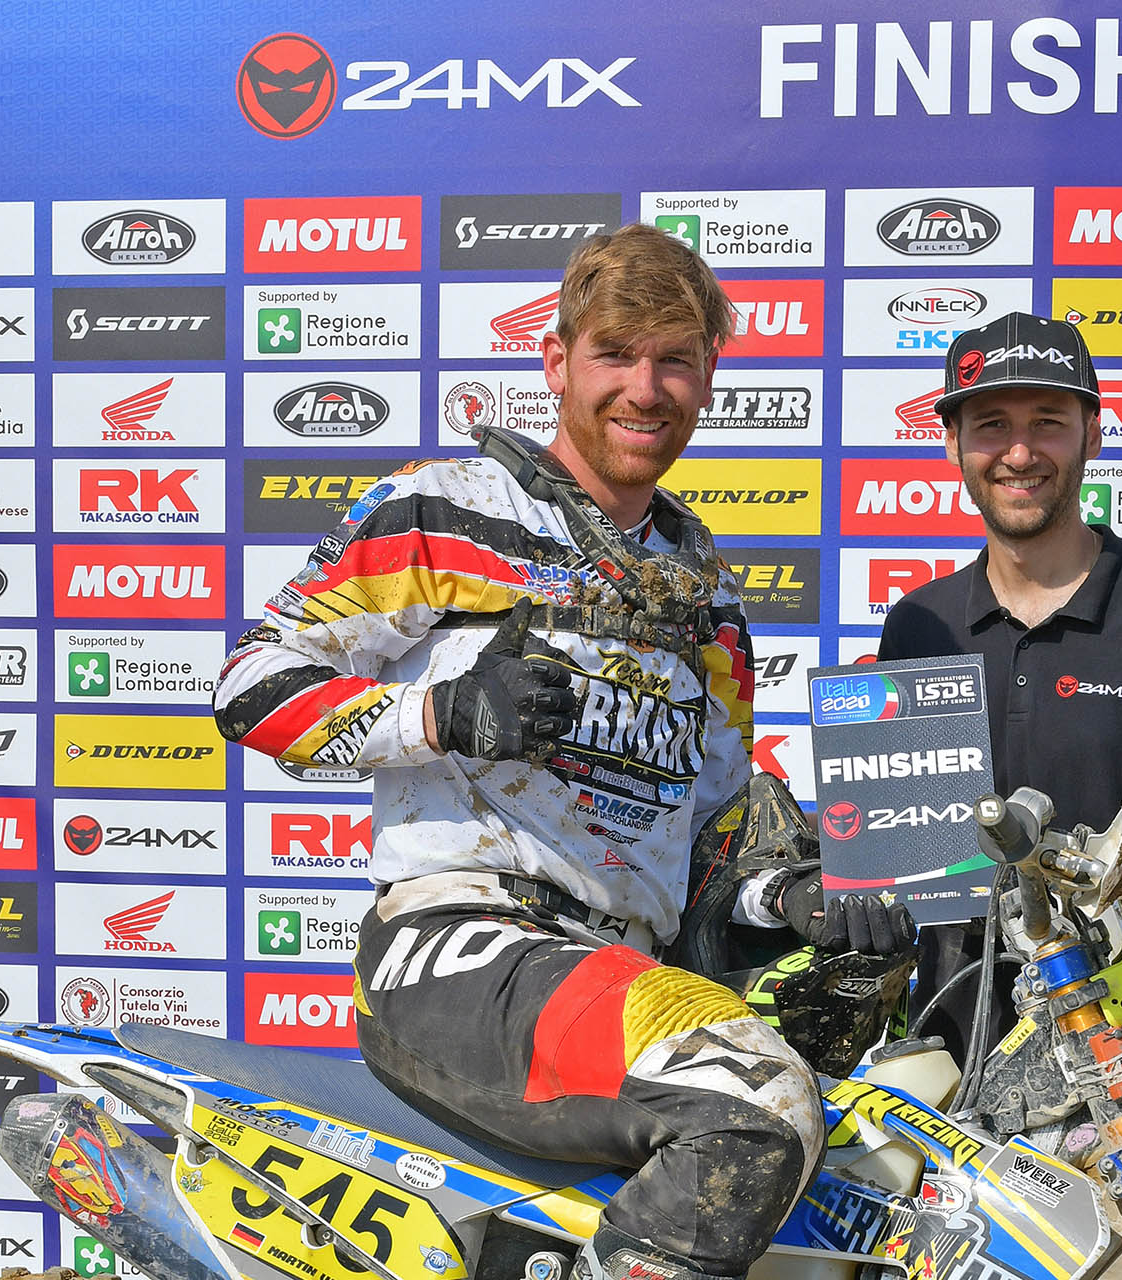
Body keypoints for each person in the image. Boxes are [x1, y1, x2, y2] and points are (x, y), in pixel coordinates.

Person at [214, 225, 909, 1280]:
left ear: (708, 378)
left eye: (675, 360)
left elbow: (715, 835)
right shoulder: (447, 508)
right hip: (459, 941)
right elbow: (249, 686)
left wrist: (793, 897)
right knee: (755, 1105)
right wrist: (442, 714)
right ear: (556, 362)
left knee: (861, 1112)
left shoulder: (705, 594)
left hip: (624, 966)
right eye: (616, 354)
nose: (646, 388)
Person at [876, 310, 1122, 1054]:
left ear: (1092, 434)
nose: (1019, 452)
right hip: (953, 1048)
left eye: (1048, 423)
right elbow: (898, 849)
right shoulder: (917, 626)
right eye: (991, 425)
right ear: (952, 442)